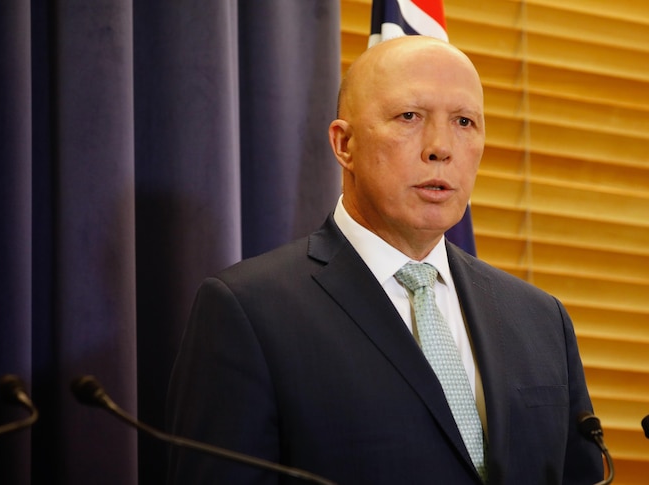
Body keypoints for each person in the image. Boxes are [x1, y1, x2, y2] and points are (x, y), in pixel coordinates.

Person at [166, 35, 603, 484]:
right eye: (409, 116)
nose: (440, 147)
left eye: (464, 122)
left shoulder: (540, 319)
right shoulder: (250, 312)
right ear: (344, 144)